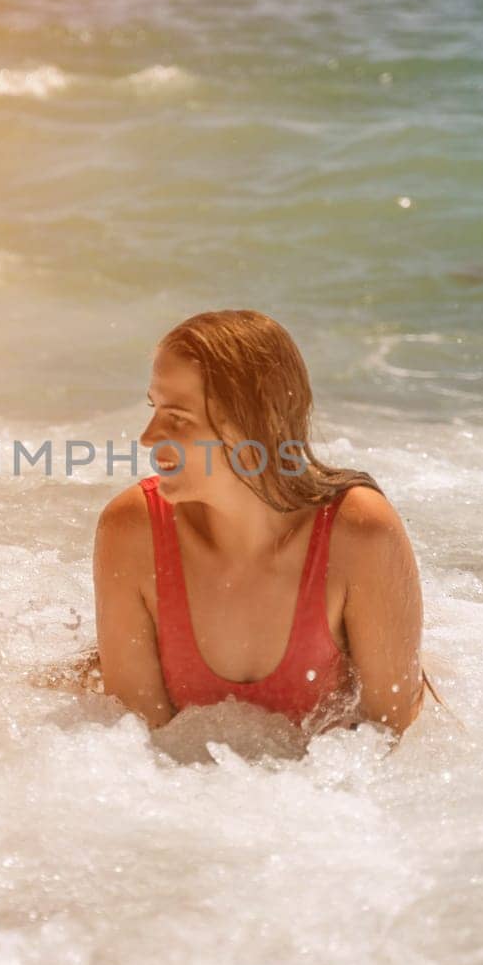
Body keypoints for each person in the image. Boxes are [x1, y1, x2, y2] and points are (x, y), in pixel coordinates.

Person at [93, 310, 433, 734]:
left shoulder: (359, 533)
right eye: (154, 408)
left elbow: (393, 742)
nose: (148, 436)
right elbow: (133, 749)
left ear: (249, 426)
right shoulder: (132, 529)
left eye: (177, 417)